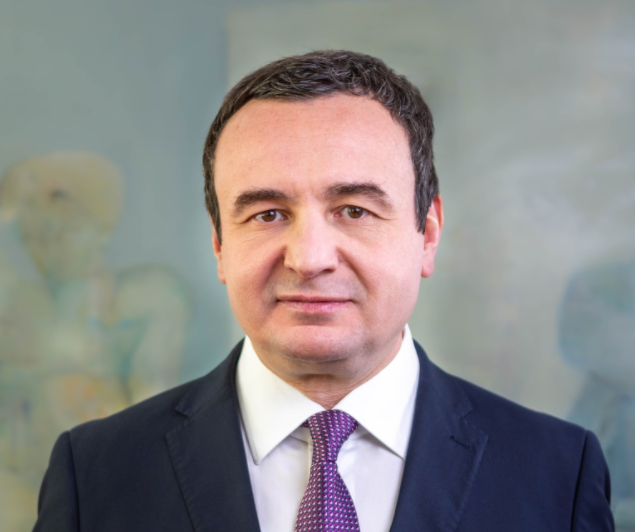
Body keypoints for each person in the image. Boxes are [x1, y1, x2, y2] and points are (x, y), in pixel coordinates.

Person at [33, 50, 614, 531]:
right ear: (219, 245)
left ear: (428, 234)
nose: (309, 259)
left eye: (354, 210)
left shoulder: (558, 472)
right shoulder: (95, 474)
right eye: (266, 214)